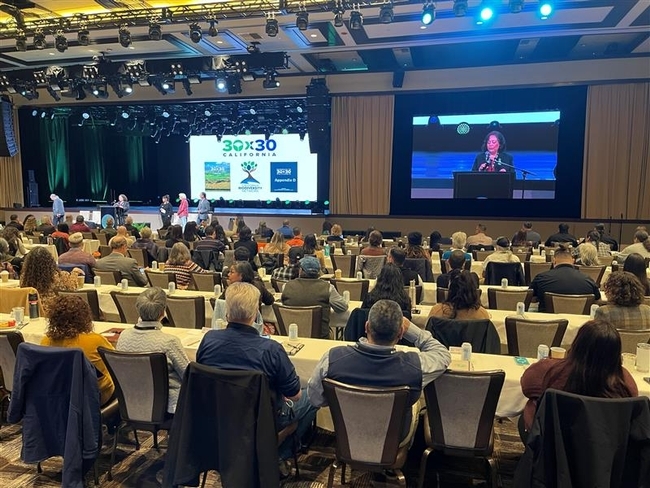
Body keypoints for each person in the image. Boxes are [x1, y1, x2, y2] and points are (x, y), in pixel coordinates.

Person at [196, 282, 317, 467]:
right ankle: (277, 455)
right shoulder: (271, 349)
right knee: (313, 394)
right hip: (263, 420)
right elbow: (295, 394)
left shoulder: (208, 340)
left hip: (218, 415)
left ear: (227, 312)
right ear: (255, 314)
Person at [307, 299, 451, 440]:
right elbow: (443, 355)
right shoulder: (415, 366)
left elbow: (315, 399)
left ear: (367, 327)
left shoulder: (332, 358)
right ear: (401, 333)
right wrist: (414, 331)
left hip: (348, 433)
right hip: (394, 438)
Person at [520, 319, 638, 437]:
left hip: (553, 442)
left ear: (577, 343)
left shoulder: (552, 370)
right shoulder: (625, 381)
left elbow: (526, 386)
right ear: (616, 353)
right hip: (605, 446)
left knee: (531, 407)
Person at [117, 288, 190, 413]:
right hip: (166, 405)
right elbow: (188, 376)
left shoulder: (123, 336)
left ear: (137, 309)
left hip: (131, 401)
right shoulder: (169, 342)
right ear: (162, 313)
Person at [41, 295, 115, 406]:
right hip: (97, 397)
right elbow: (115, 361)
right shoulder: (95, 340)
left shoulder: (45, 342)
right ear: (85, 317)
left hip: (61, 397)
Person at [281, 256, 348, 338]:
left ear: (301, 270)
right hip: (320, 338)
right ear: (319, 272)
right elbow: (342, 307)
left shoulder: (286, 287)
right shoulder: (328, 288)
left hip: (292, 336)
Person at [529, 246, 601, 312]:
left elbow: (531, 299)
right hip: (580, 324)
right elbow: (597, 301)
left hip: (549, 323)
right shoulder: (588, 279)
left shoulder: (541, 278)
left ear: (554, 261)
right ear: (573, 261)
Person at [20, 246, 83, 315]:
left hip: (32, 312)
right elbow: (72, 289)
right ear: (50, 261)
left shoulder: (24, 278)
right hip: (54, 312)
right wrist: (74, 273)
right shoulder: (59, 276)